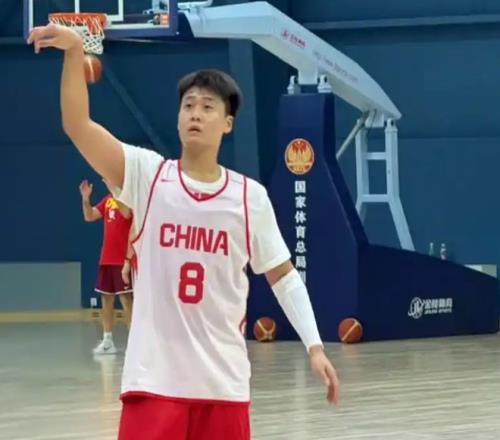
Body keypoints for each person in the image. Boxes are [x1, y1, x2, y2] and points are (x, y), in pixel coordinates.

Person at [29, 24, 340, 440]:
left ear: (228, 123)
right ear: (177, 119)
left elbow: (284, 278)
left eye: (208, 106)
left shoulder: (249, 197)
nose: (195, 113)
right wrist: (73, 53)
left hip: (223, 385)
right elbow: (78, 126)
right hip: (154, 381)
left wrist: (315, 346)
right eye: (188, 105)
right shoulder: (147, 175)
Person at [79, 178, 133, 354]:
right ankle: (107, 340)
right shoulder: (107, 200)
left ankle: (134, 342)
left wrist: (115, 191)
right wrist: (85, 199)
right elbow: (89, 216)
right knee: (106, 299)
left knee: (126, 300)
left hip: (122, 259)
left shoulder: (128, 199)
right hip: (107, 258)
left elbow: (126, 214)